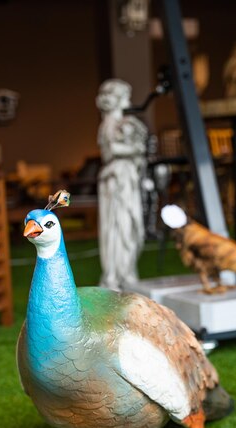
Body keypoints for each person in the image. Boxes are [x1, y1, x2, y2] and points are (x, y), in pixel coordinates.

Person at [96, 79, 148, 290]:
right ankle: (117, 274)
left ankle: (126, 271)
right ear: (117, 100)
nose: (129, 101)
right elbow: (109, 152)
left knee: (130, 226)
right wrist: (136, 149)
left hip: (126, 178)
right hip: (117, 180)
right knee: (119, 226)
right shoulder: (110, 123)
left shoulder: (124, 123)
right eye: (126, 96)